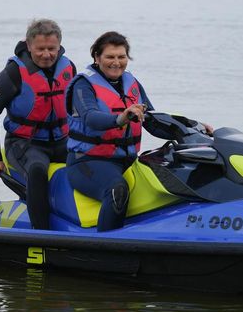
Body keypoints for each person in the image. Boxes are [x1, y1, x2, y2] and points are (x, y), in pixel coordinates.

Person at [64, 31, 169, 231]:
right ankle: (104, 250)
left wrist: (194, 128)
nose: (117, 62)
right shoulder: (83, 84)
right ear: (96, 57)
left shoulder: (132, 83)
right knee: (116, 189)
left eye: (121, 57)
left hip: (127, 160)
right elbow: (90, 118)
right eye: (110, 57)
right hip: (87, 162)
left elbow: (153, 121)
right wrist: (122, 118)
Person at [0, 19, 76, 230]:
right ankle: (40, 231)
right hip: (24, 143)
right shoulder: (12, 74)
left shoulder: (68, 67)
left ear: (59, 46)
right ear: (29, 45)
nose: (46, 54)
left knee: (94, 161)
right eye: (40, 49)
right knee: (36, 170)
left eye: (51, 49)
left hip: (62, 140)